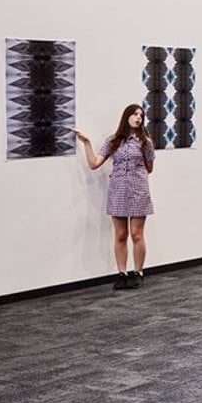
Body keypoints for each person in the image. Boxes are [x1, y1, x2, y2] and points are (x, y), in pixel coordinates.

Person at [74, 104, 155, 290]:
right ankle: (121, 273)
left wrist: (134, 173)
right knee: (120, 235)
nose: (138, 118)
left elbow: (149, 168)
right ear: (126, 116)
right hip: (117, 190)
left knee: (136, 234)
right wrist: (86, 143)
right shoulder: (113, 141)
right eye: (135, 114)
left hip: (138, 191)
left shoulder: (146, 142)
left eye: (141, 115)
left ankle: (138, 272)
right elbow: (94, 164)